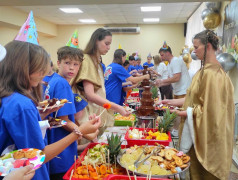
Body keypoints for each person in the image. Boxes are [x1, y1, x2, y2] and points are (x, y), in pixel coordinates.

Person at [0, 40, 101, 180]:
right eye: (40, 68)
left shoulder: (8, 98)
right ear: (23, 68)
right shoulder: (22, 105)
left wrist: (39, 116)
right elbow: (38, 156)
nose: (44, 74)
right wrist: (81, 131)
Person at [162, 30, 234, 180]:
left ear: (207, 46)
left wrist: (182, 113)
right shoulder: (203, 71)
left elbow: (212, 112)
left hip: (208, 140)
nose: (193, 52)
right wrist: (170, 102)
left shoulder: (213, 75)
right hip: (198, 133)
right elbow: (192, 100)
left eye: (196, 47)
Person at [44, 46, 98, 179]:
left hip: (53, 148)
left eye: (75, 64)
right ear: (58, 63)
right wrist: (85, 132)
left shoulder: (53, 80)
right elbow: (63, 121)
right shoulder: (62, 84)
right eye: (67, 63)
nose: (71, 68)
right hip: (61, 155)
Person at [71, 28, 130, 130]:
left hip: (96, 110)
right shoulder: (87, 60)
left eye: (109, 44)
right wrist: (117, 107)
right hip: (87, 113)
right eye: (106, 43)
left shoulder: (97, 62)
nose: (108, 47)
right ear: (96, 41)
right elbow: (90, 95)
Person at [156, 42, 191, 137]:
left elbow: (176, 78)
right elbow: (170, 80)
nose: (162, 58)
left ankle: (179, 132)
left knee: (180, 112)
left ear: (168, 53)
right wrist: (161, 82)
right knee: (175, 111)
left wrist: (162, 81)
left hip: (183, 91)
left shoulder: (175, 61)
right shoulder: (169, 64)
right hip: (178, 91)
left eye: (162, 55)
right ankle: (176, 130)